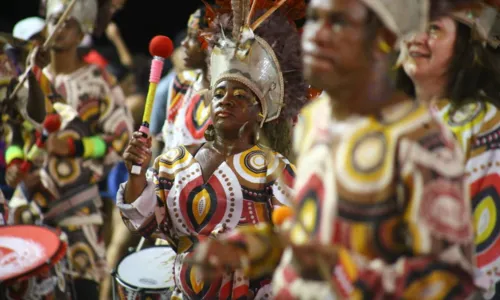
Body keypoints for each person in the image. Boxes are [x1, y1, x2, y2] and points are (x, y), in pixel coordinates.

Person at [191, 0, 479, 299]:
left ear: (385, 39)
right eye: (315, 19)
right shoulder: (318, 122)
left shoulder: (421, 142)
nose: (317, 35)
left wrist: (338, 269)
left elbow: (450, 280)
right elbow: (310, 235)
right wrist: (248, 246)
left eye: (339, 22)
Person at [115, 0, 307, 298]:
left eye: (241, 95)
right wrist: (136, 173)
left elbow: (296, 240)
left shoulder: (275, 169)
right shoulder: (175, 161)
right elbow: (143, 221)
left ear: (260, 113)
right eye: (219, 92)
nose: (226, 99)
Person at [5, 0, 133, 298]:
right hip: (27, 206)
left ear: (81, 33)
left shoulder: (98, 80)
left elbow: (118, 139)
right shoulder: (26, 81)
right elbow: (14, 136)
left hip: (78, 210)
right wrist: (14, 164)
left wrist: (76, 146)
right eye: (54, 21)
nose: (59, 28)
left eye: (68, 23)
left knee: (82, 289)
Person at [399, 2, 500, 298]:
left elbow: (484, 232)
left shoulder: (485, 121)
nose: (417, 37)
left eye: (434, 29)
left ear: (465, 45)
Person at [160, 8, 211, 152]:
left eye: (193, 38)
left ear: (213, 43)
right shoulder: (182, 83)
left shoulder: (228, 97)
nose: (184, 44)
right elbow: (168, 144)